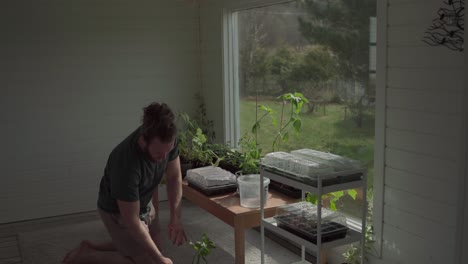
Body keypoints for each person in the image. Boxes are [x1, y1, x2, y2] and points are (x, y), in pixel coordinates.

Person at [63, 102, 187, 264]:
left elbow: (174, 177)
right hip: (116, 211)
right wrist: (159, 259)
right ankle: (86, 256)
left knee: (156, 248)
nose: (164, 159)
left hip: (143, 199)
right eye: (158, 153)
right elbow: (131, 220)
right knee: (146, 260)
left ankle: (92, 246)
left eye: (168, 151)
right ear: (143, 141)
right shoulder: (126, 164)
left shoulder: (166, 139)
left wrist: (175, 218)